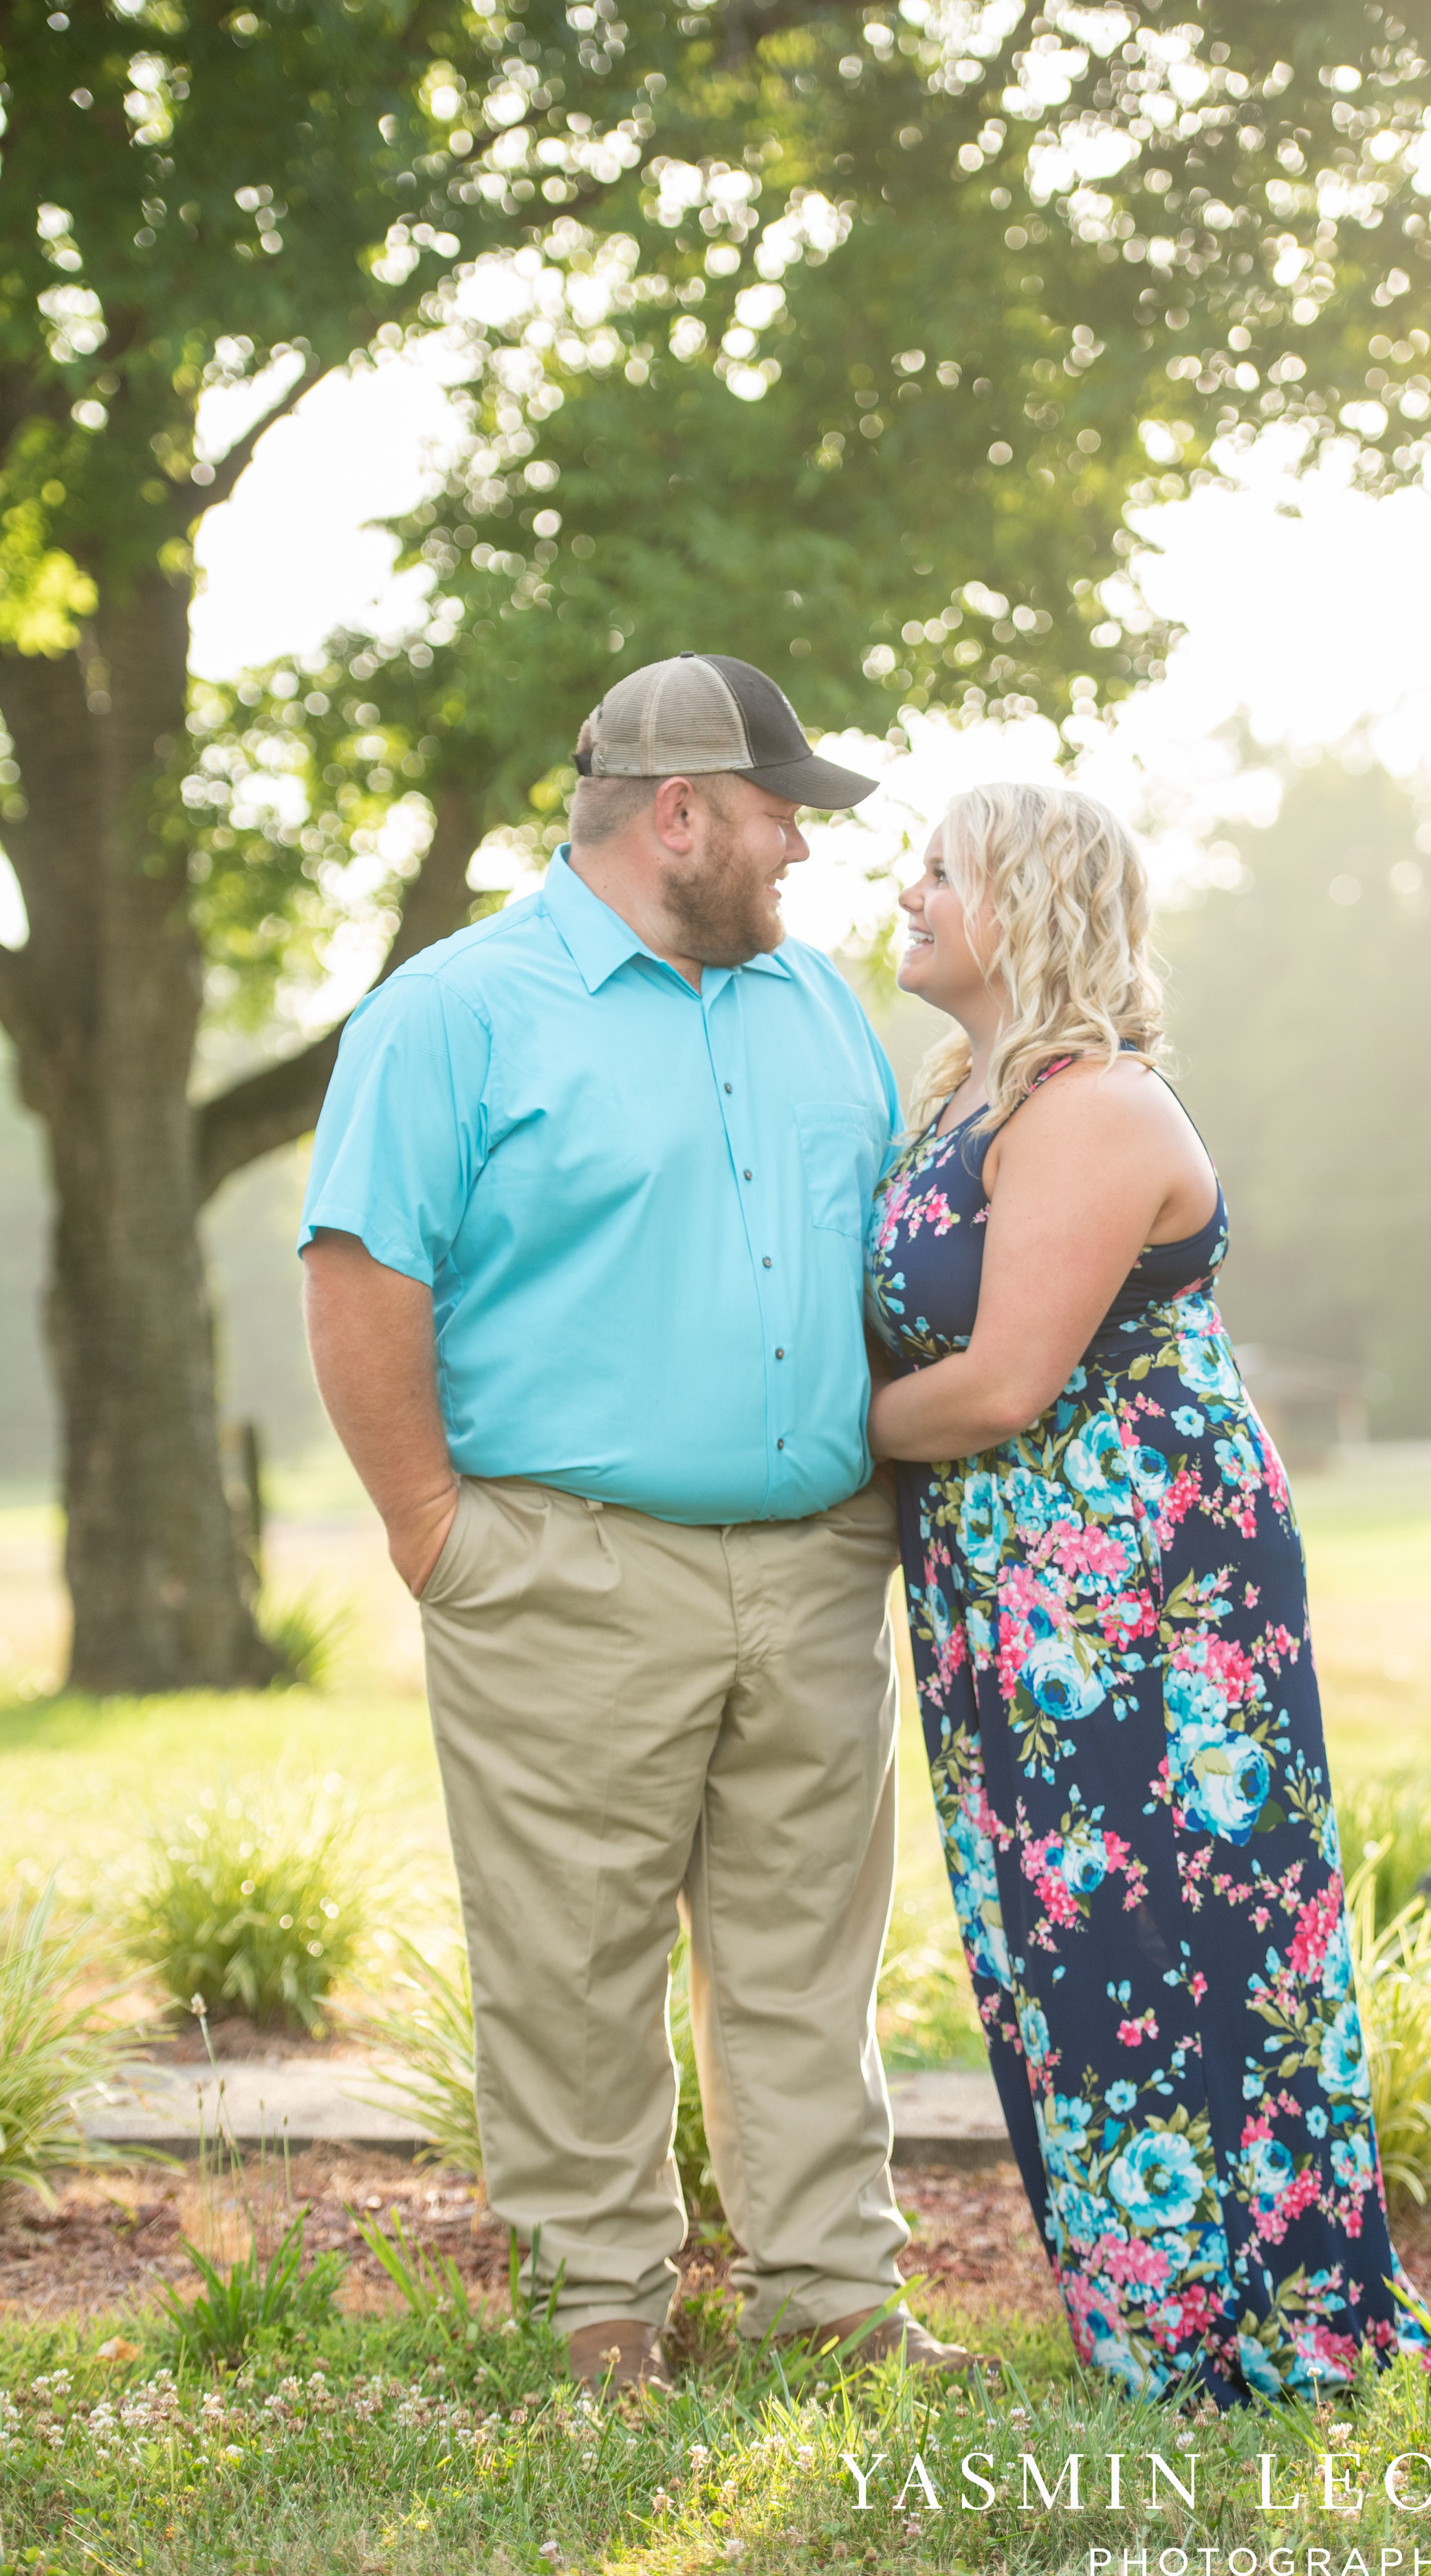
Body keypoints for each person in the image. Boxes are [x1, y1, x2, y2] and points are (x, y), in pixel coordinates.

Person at [300, 652, 972, 2389]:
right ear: (677, 814)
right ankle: (604, 2311)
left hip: (817, 1562)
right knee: (572, 1957)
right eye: (776, 819)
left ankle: (833, 2303)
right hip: (562, 1567)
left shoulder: (812, 1007)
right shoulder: (455, 1010)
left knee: (803, 1965)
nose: (803, 857)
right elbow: (363, 1269)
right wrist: (431, 1528)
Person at [864, 782, 1431, 2404]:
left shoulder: (1097, 1109)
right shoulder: (965, 1103)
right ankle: (1147, 2308)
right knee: (1054, 1927)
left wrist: (800, 1446)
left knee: (1180, 1921)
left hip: (1143, 1585)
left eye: (940, 869)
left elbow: (996, 1386)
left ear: (1032, 903)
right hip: (1017, 1589)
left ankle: (1252, 2324)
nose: (902, 890)